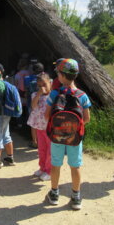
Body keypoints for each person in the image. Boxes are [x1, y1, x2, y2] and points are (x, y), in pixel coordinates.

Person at [44, 59, 91, 210]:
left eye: (58, 72)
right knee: (75, 166)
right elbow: (86, 118)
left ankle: (54, 194)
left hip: (57, 136)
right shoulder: (82, 95)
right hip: (74, 138)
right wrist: (72, 127)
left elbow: (47, 116)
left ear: (62, 76)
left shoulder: (55, 94)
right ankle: (76, 197)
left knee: (56, 164)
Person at [27, 72, 52, 181]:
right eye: (40, 85)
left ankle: (49, 171)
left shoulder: (54, 96)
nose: (42, 87)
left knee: (50, 151)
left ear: (50, 83)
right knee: (41, 149)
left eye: (44, 84)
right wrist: (38, 94)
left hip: (50, 129)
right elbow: (33, 106)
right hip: (40, 128)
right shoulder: (35, 95)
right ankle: (42, 168)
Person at [24, 62, 44, 148]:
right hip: (44, 103)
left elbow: (25, 90)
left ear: (33, 70)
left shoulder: (27, 79)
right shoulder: (48, 79)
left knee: (33, 123)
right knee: (44, 122)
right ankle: (42, 141)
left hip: (31, 103)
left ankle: (34, 141)